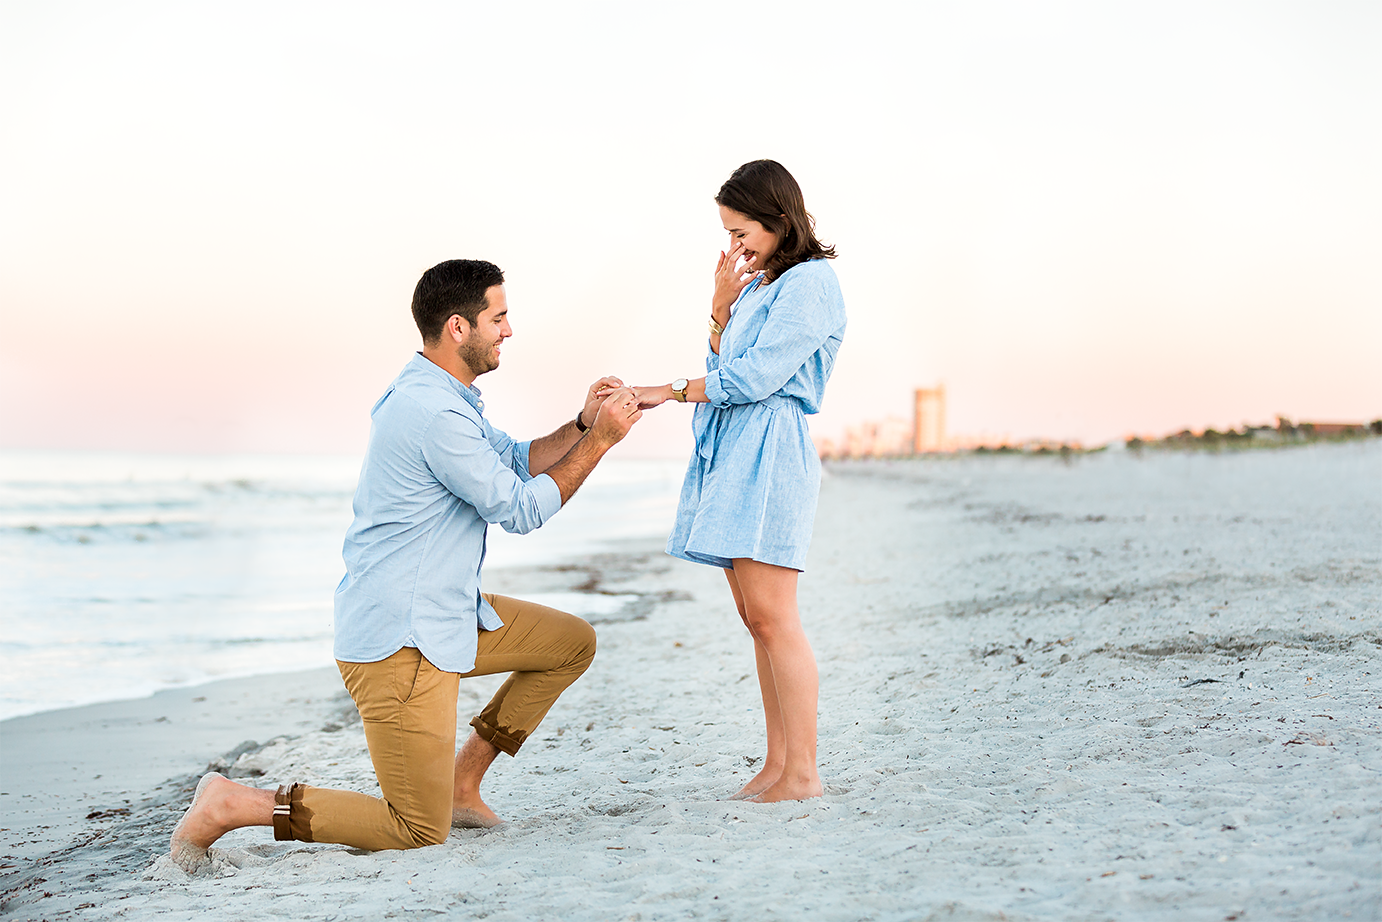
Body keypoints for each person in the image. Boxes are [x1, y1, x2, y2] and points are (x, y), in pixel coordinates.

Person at [170, 259, 643, 869]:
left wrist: (581, 425)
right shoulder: (432, 413)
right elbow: (519, 509)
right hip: (402, 640)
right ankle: (233, 804)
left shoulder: (442, 395)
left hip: (445, 612)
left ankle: (462, 781)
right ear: (458, 327)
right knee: (416, 827)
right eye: (498, 318)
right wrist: (601, 443)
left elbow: (517, 458)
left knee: (570, 643)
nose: (508, 330)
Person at [619, 160, 845, 802]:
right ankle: (778, 764)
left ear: (778, 220)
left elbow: (755, 379)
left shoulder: (811, 283)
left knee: (777, 617)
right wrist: (719, 311)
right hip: (734, 448)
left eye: (742, 231)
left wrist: (668, 391)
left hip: (770, 449)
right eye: (727, 232)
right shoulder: (758, 286)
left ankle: (803, 771)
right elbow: (726, 364)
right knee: (756, 619)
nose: (734, 247)